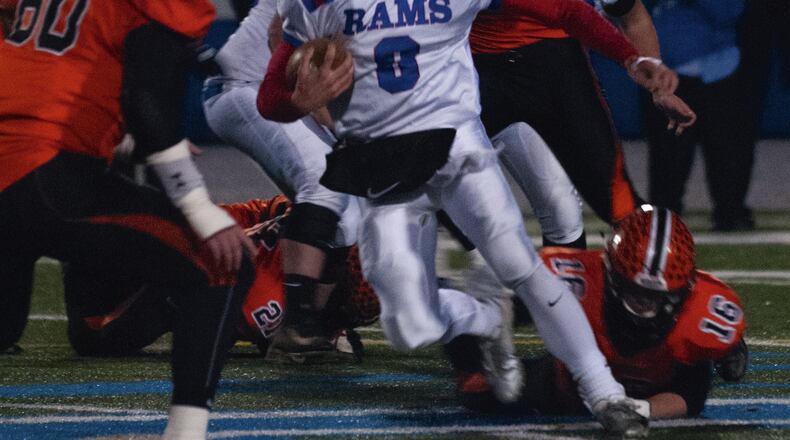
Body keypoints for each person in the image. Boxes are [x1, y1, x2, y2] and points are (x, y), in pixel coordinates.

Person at [257, 0, 675, 436]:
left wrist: (632, 58)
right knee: (408, 326)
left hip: (459, 151)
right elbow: (269, 98)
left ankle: (605, 394)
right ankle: (487, 318)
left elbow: (565, 9)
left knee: (520, 266)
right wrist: (298, 102)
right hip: (385, 172)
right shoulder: (317, 4)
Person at [0, 1, 258, 438]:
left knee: (4, 326)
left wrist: (121, 141)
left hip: (22, 164)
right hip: (43, 171)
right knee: (222, 263)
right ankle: (185, 434)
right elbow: (145, 99)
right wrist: (199, 209)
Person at [456, 205, 747, 420]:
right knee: (476, 388)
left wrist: (641, 410)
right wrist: (494, 332)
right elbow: (504, 304)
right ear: (611, 272)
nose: (644, 303)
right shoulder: (581, 280)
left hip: (656, 388)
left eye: (656, 296)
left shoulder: (702, 312)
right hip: (565, 387)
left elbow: (691, 395)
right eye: (635, 290)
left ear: (683, 288)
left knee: (702, 367)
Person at [203, 0, 361, 352]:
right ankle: (294, 325)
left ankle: (316, 322)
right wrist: (328, 119)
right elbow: (282, 37)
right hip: (245, 85)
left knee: (349, 214)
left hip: (290, 92)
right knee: (325, 182)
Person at [471, 0, 695, 242]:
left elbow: (632, 17)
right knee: (446, 187)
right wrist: (631, 59)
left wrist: (656, 82)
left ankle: (647, 261)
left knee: (607, 206)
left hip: (556, 69)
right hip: (472, 72)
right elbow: (568, 11)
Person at [65, 195, 380, 363]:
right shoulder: (272, 301)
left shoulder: (322, 238)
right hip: (190, 261)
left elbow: (281, 208)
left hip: (207, 246)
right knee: (92, 338)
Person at [641, 0, 755, 231]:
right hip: (667, 76)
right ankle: (662, 222)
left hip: (718, 71)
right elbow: (628, 16)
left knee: (725, 153)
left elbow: (730, 11)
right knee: (667, 159)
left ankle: (730, 213)